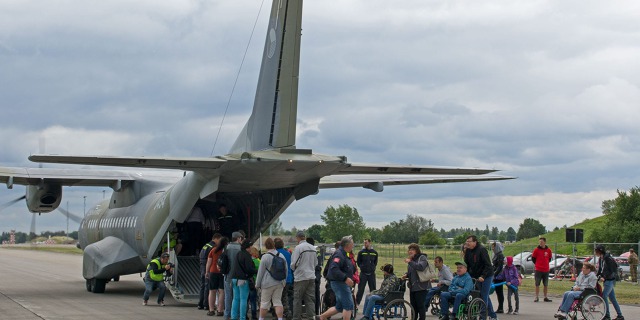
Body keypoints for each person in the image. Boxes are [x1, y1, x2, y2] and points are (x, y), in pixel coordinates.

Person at [318, 236, 356, 320]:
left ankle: (321, 317)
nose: (353, 246)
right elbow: (334, 269)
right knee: (348, 306)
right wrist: (345, 278)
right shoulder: (339, 254)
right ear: (347, 245)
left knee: (339, 307)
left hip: (341, 283)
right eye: (352, 244)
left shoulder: (345, 254)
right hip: (340, 283)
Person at [464, 235, 497, 320]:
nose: (467, 243)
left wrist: (483, 276)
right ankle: (493, 315)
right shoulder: (468, 251)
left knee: (484, 295)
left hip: (486, 275)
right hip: (476, 275)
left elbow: (488, 265)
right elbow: (468, 265)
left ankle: (483, 317)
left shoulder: (481, 250)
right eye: (467, 241)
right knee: (482, 295)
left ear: (475, 242)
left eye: (469, 241)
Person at [257, 237, 288, 320]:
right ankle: (280, 319)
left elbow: (260, 272)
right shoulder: (281, 256)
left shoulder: (265, 257)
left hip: (267, 284)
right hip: (279, 283)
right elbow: (286, 270)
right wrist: (284, 281)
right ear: (274, 245)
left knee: (264, 303)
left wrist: (257, 284)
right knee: (278, 302)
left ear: (266, 246)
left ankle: (261, 319)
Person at [290, 231, 318, 320]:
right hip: (311, 276)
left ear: (297, 238)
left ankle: (296, 318)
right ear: (304, 237)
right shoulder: (313, 248)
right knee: (310, 300)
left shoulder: (298, 248)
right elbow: (315, 263)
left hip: (301, 278)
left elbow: (294, 263)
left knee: (297, 300)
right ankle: (311, 317)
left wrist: (295, 270)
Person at [595, 245, 624, 320]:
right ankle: (620, 316)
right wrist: (596, 276)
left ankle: (607, 316)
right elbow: (600, 270)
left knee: (604, 296)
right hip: (606, 280)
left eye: (597, 251)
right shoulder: (601, 259)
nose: (595, 252)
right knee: (612, 298)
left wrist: (604, 277)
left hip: (610, 280)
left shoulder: (608, 259)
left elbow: (612, 270)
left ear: (600, 251)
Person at [231, 239, 258, 320]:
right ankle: (242, 317)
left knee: (235, 298)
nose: (251, 248)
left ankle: (234, 317)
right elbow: (249, 268)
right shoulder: (246, 255)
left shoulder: (238, 254)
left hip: (234, 278)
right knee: (243, 299)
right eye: (250, 246)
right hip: (243, 279)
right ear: (248, 247)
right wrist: (257, 271)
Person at [403, 243, 431, 320]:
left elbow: (420, 267)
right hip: (413, 287)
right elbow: (411, 272)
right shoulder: (411, 260)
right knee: (413, 306)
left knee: (420, 306)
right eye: (409, 250)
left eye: (412, 250)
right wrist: (406, 275)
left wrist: (410, 262)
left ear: (417, 251)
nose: (410, 251)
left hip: (421, 287)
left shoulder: (422, 258)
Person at [207, 236, 229, 316]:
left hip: (213, 272)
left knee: (212, 291)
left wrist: (207, 272)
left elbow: (209, 262)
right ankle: (220, 310)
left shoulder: (213, 250)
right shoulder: (226, 251)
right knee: (221, 292)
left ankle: (211, 310)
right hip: (222, 273)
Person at [224, 231, 244, 320]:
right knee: (238, 296)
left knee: (228, 295)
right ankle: (238, 315)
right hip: (238, 275)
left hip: (227, 274)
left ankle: (227, 314)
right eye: (241, 238)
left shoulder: (226, 247)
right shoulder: (241, 248)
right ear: (238, 238)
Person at [199, 233, 221, 311]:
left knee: (202, 286)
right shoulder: (214, 247)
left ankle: (200, 304)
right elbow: (211, 259)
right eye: (219, 240)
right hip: (207, 267)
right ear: (217, 239)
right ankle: (206, 305)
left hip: (202, 266)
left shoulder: (205, 245)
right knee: (208, 286)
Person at [275, 237, 294, 320]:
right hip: (289, 278)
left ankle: (280, 315)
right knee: (285, 296)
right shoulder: (288, 253)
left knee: (277, 298)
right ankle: (287, 312)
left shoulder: (275, 254)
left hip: (279, 279)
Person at [356, 239, 379, 306]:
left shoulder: (374, 252)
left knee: (373, 290)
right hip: (363, 274)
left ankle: (373, 304)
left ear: (370, 243)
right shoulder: (361, 252)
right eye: (364, 243)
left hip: (371, 274)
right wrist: (362, 267)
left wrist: (372, 267)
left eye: (366, 243)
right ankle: (357, 304)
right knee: (360, 289)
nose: (365, 244)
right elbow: (358, 262)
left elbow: (375, 262)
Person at [531, 237, 552, 302]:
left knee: (545, 284)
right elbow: (533, 258)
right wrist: (538, 264)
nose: (540, 243)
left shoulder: (548, 250)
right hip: (538, 269)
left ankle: (545, 296)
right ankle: (536, 297)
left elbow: (549, 259)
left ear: (545, 242)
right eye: (540, 242)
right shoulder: (536, 250)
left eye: (542, 242)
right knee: (537, 284)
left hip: (546, 270)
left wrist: (545, 264)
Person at [491, 242, 505, 313]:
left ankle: (501, 307)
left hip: (499, 276)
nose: (492, 249)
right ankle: (500, 307)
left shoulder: (500, 255)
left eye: (493, 247)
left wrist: (494, 274)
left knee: (500, 292)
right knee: (497, 292)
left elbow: (499, 267)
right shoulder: (495, 255)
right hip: (495, 275)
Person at [249, 246, 261, 320]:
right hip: (255, 282)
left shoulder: (248, 261)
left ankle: (245, 315)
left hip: (248, 281)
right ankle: (254, 316)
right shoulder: (258, 261)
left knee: (246, 299)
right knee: (254, 300)